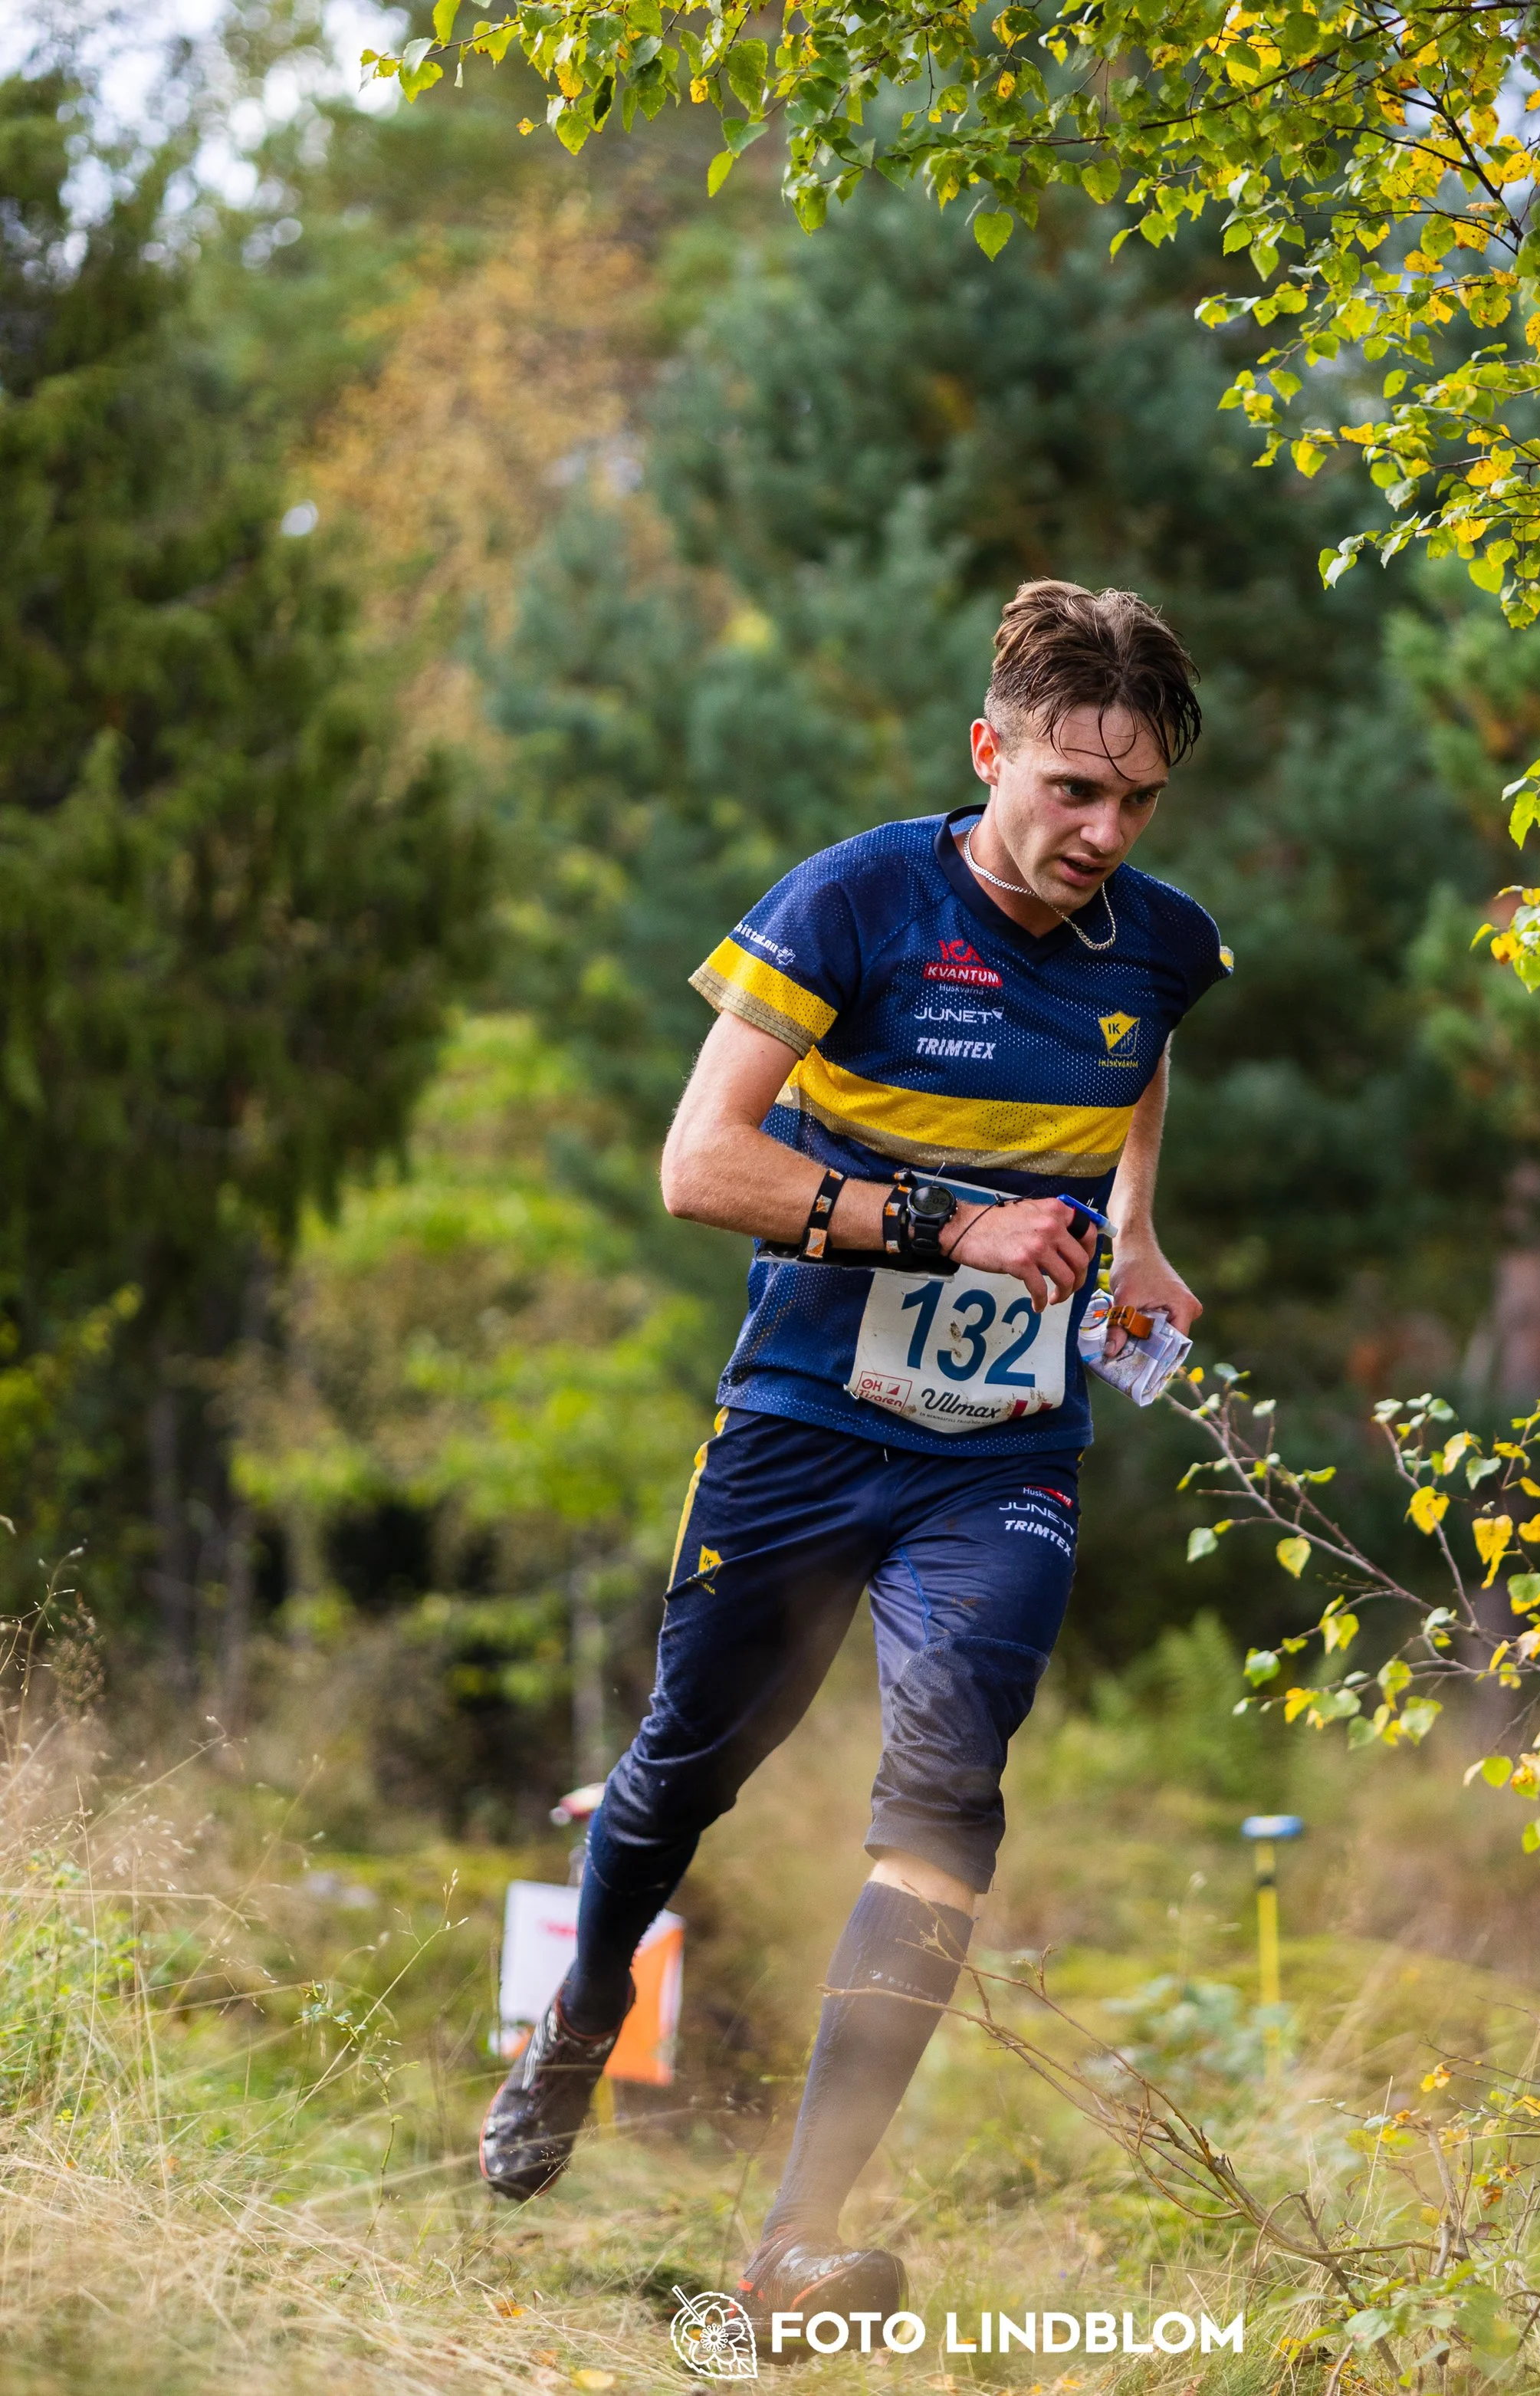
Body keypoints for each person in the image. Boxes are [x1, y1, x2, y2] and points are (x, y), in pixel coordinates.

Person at [480, 579, 1232, 2329]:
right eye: (1068, 789)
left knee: (946, 1807)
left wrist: (1129, 1226)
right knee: (683, 1766)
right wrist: (938, 1225)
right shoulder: (854, 900)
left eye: (1132, 802)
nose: (1099, 833)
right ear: (991, 754)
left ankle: (791, 2245)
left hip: (1002, 1449)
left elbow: (1139, 1057)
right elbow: (695, 1163)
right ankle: (581, 2018)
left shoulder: (1161, 937)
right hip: (806, 1423)